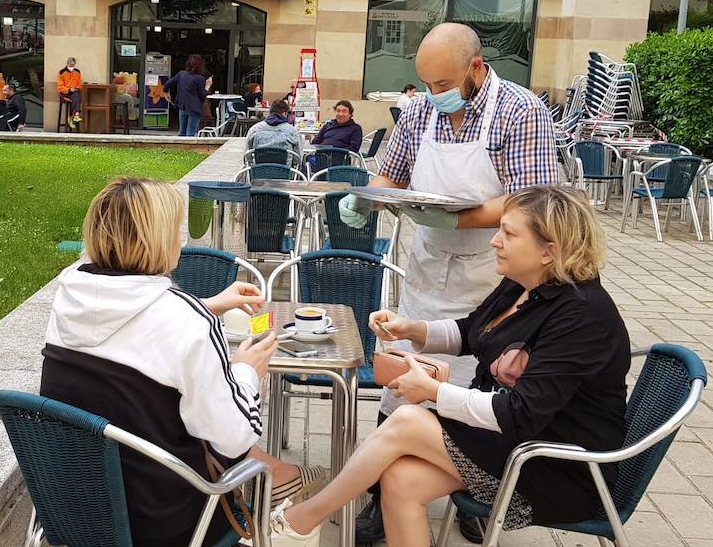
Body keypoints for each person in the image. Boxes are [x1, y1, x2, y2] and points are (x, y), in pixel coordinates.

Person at [268, 185, 630, 547]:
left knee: (408, 419)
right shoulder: (523, 283)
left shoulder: (582, 316)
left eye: (508, 233)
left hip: (556, 465)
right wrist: (411, 328)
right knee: (400, 479)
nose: (494, 242)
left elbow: (521, 413)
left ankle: (302, 520)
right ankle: (301, 521)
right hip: (511, 441)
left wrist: (433, 392)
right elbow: (472, 332)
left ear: (549, 252)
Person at [337, 22, 560, 542]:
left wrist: (458, 220)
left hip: (493, 274)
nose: (433, 96)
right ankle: (380, 496)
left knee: (477, 385)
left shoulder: (519, 111)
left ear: (476, 69)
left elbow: (531, 197)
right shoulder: (417, 111)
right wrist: (367, 197)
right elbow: (391, 172)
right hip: (427, 267)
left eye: (442, 86)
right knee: (404, 382)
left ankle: (479, 496)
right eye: (427, 86)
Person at [41, 177, 328, 547]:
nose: (181, 239)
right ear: (157, 240)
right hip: (161, 522)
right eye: (176, 229)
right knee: (216, 422)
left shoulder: (68, 298)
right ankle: (285, 486)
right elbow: (232, 440)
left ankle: (285, 476)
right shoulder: (188, 323)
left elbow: (128, 330)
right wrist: (246, 371)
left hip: (71, 510)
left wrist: (207, 304)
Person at [246, 98, 304, 168]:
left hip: (258, 174)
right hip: (285, 176)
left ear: (270, 112)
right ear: (285, 113)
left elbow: (247, 156)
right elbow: (298, 158)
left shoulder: (255, 129)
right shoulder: (293, 131)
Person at [307, 100, 364, 172]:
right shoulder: (328, 125)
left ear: (350, 114)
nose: (340, 114)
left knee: (308, 163)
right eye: (338, 111)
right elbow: (315, 142)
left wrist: (335, 151)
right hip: (320, 156)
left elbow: (354, 148)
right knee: (301, 159)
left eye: (344, 111)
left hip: (339, 159)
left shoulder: (355, 128)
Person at [165, 54, 209, 137]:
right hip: (194, 108)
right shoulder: (200, 79)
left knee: (182, 131)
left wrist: (166, 93)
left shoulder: (181, 74)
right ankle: (188, 149)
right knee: (190, 132)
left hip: (182, 106)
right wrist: (207, 86)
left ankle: (179, 149)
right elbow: (202, 96)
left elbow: (167, 84)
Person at [57, 57, 83, 129]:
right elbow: (60, 87)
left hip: (74, 92)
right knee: (76, 97)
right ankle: (75, 116)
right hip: (65, 94)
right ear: (67, 64)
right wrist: (68, 90)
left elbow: (80, 84)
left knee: (76, 94)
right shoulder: (61, 72)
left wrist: (76, 88)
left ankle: (74, 116)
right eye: (71, 66)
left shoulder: (77, 72)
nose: (72, 67)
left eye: (73, 66)